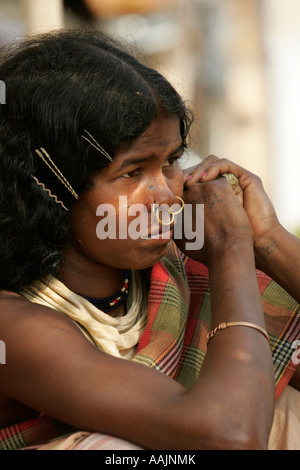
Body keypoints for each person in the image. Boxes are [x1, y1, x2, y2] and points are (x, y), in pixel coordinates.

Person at [0, 29, 299, 451]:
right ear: (50, 187)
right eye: (132, 172)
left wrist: (268, 241)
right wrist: (232, 247)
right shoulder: (14, 326)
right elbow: (231, 435)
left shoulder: (180, 276)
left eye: (172, 161)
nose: (165, 196)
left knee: (286, 404)